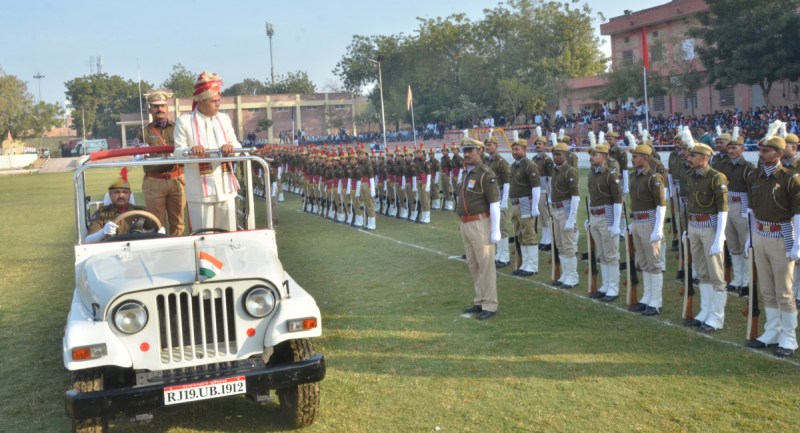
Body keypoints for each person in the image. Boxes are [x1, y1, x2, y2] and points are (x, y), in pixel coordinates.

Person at [746, 134, 800, 358]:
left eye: (767, 151)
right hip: (761, 233)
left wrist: (797, 243)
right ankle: (772, 331)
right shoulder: (755, 176)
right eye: (761, 150)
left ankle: (789, 337)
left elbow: (797, 213)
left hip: (782, 234)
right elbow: (751, 209)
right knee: (767, 288)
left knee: (784, 290)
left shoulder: (791, 178)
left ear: (778, 154)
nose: (762, 154)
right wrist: (751, 236)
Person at [174, 71, 242, 232]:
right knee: (204, 237)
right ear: (201, 101)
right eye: (214, 101)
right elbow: (177, 152)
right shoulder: (184, 121)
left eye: (219, 101)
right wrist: (191, 151)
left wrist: (230, 150)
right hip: (200, 193)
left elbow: (237, 146)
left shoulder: (224, 119)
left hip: (225, 189)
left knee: (228, 236)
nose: (218, 105)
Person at [683, 141, 729, 332]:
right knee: (701, 272)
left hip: (710, 227)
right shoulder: (690, 176)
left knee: (716, 274)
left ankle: (717, 317)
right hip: (694, 225)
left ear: (704, 158)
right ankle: (705, 311)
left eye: (693, 156)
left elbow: (722, 209)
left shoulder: (716, 178)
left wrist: (720, 237)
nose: (689, 158)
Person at [458, 137, 501, 320]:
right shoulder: (468, 173)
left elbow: (494, 204)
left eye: (470, 150)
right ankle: (480, 300)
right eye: (464, 151)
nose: (466, 154)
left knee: (486, 266)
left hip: (480, 224)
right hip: (466, 223)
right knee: (473, 265)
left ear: (480, 151)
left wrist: (495, 229)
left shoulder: (485, 174)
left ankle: (490, 304)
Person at [136, 90, 185, 237]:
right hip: (154, 181)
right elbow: (139, 155)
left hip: (177, 179)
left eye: (163, 105)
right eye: (156, 106)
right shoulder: (144, 131)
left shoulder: (178, 127)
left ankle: (179, 255)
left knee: (179, 223)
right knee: (156, 224)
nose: (160, 109)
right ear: (150, 109)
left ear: (167, 107)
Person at [627, 145, 667, 315]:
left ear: (645, 158)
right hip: (637, 221)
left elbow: (660, 205)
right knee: (642, 262)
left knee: (654, 263)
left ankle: (656, 301)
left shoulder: (654, 178)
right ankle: (647, 296)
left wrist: (658, 228)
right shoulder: (633, 177)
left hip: (650, 222)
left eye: (636, 156)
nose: (633, 159)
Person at [587, 143, 623, 302]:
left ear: (604, 156)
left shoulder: (610, 175)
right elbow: (591, 196)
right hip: (595, 215)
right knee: (601, 253)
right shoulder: (591, 174)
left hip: (607, 215)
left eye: (595, 154)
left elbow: (617, 200)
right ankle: (605, 284)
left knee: (611, 254)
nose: (591, 157)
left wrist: (616, 224)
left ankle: (613, 288)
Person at [719, 134, 754, 295]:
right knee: (733, 245)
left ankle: (747, 281)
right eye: (730, 147)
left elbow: (751, 192)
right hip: (727, 205)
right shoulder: (723, 165)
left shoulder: (748, 167)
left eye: (735, 147)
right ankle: (737, 279)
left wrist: (748, 213)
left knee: (745, 243)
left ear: (742, 148)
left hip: (742, 206)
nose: (731, 150)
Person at [85, 169, 148, 243]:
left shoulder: (142, 212)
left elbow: (155, 232)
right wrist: (102, 233)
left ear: (130, 194)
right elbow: (88, 241)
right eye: (116, 192)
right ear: (110, 194)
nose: (121, 195)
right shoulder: (101, 213)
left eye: (125, 192)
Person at [507, 138, 541, 275]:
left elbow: (536, 187)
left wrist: (534, 207)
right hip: (515, 203)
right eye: (513, 149)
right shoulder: (514, 165)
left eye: (517, 149)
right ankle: (525, 264)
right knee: (519, 234)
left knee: (528, 233)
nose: (514, 152)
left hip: (526, 202)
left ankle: (532, 265)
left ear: (524, 150)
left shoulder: (529, 165)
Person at [550, 142, 580, 288]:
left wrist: (571, 218)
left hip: (565, 209)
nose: (555, 157)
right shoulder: (555, 170)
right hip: (556, 210)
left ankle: (573, 276)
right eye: (554, 154)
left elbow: (575, 196)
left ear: (566, 155)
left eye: (558, 154)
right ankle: (565, 273)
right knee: (560, 245)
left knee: (568, 244)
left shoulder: (570, 171)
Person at [485, 135, 512, 268]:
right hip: (490, 195)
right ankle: (499, 253)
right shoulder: (486, 160)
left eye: (490, 144)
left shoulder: (501, 161)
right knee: (493, 225)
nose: (487, 147)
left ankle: (505, 255)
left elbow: (507, 182)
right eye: (487, 145)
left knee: (501, 225)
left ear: (496, 146)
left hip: (499, 194)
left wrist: (504, 200)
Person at [532, 136, 555, 251]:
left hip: (545, 189)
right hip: (537, 189)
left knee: (547, 216)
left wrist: (550, 195)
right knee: (541, 216)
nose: (538, 145)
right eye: (537, 143)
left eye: (540, 143)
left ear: (544, 145)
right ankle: (544, 238)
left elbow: (551, 178)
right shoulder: (534, 158)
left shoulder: (547, 160)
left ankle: (550, 240)